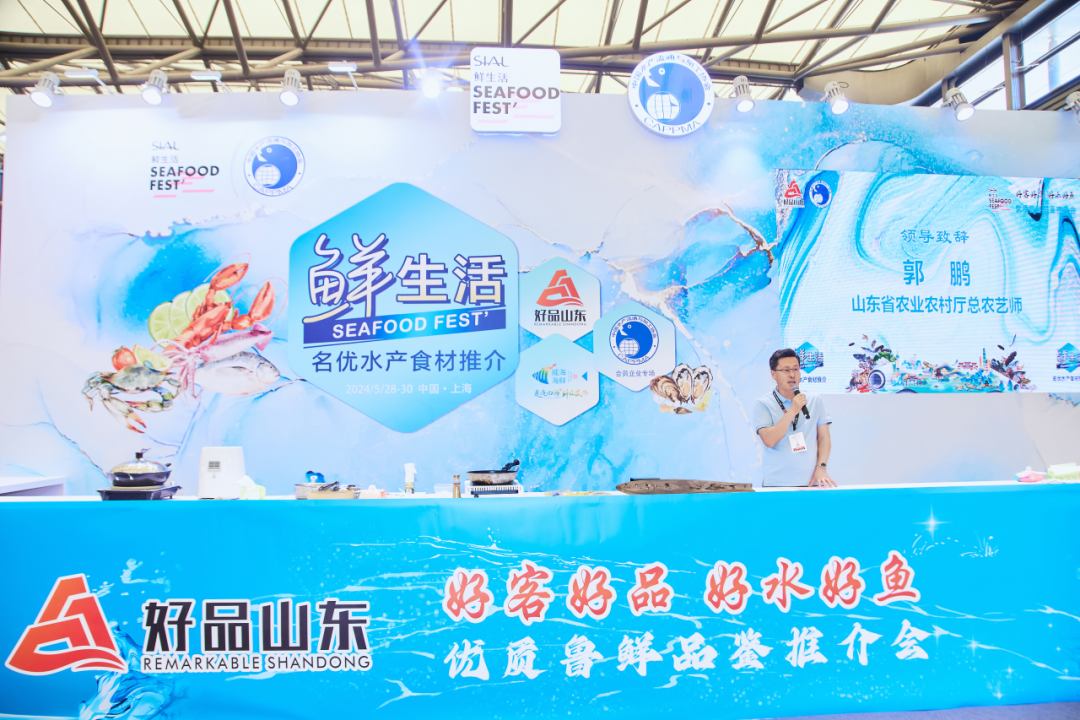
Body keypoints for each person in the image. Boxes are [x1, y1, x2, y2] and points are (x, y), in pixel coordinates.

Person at [752, 348, 835, 488]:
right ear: (773, 374)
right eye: (786, 370)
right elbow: (769, 441)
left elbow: (823, 438)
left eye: (795, 369)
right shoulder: (763, 404)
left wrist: (821, 467)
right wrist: (792, 411)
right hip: (776, 484)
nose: (792, 375)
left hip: (811, 483)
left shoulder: (814, 400)